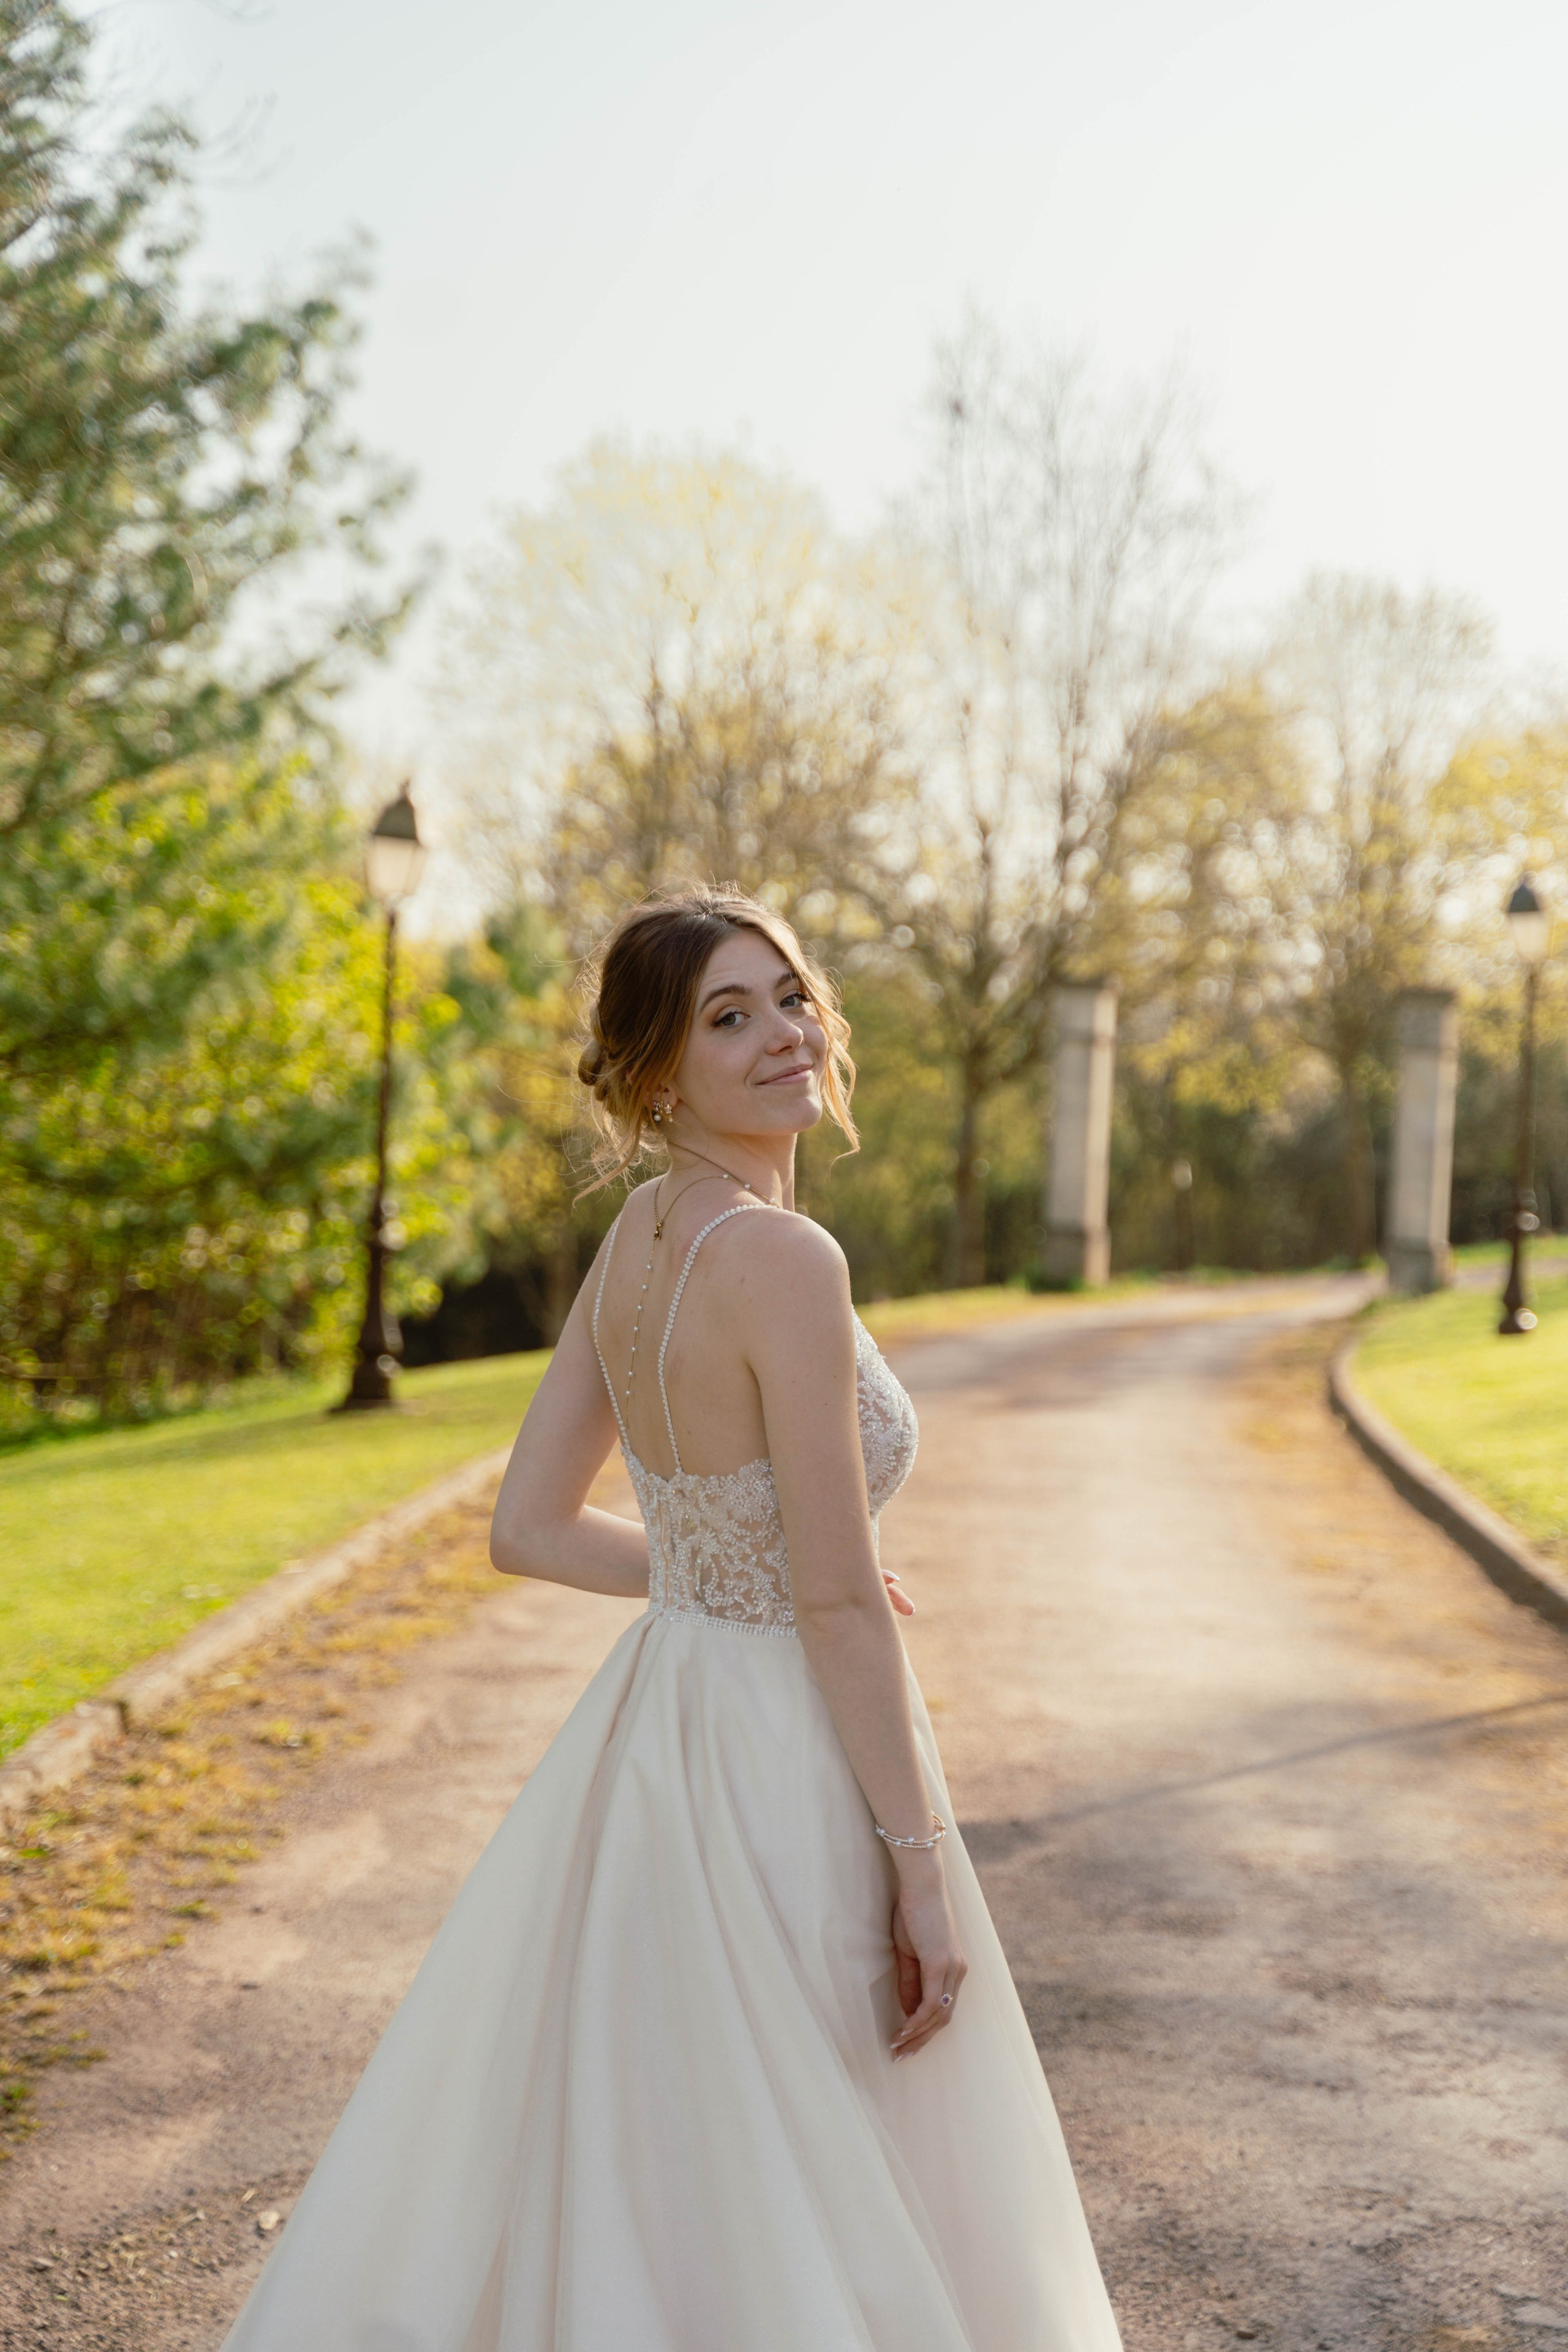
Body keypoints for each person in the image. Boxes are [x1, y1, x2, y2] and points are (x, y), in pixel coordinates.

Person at [220, 885, 1123, 2351]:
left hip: (659, 1728)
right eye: (728, 1015)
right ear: (656, 1077)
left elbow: (528, 1527)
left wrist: (720, 1568)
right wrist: (917, 1871)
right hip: (780, 1760)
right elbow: (832, 1597)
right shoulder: (784, 1260)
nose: (783, 1034)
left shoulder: (642, 1240)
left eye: (788, 996)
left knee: (676, 2151)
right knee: (806, 2152)